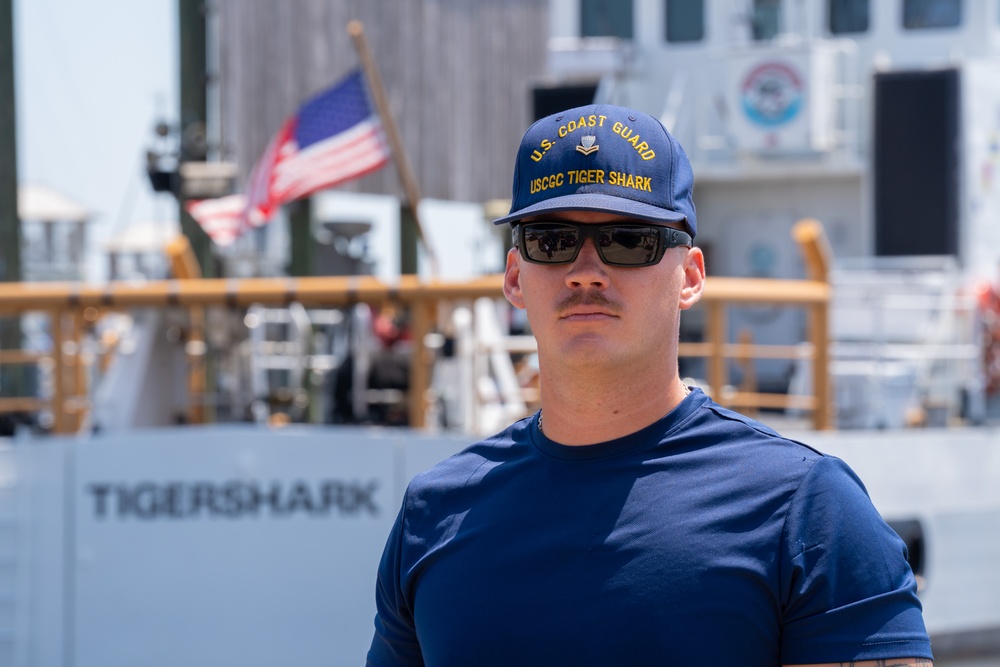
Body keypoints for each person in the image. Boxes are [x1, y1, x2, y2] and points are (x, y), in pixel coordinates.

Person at [366, 104, 933, 666]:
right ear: (516, 276)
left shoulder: (809, 513)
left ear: (689, 277)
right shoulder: (432, 514)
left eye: (629, 241)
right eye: (551, 241)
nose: (586, 270)